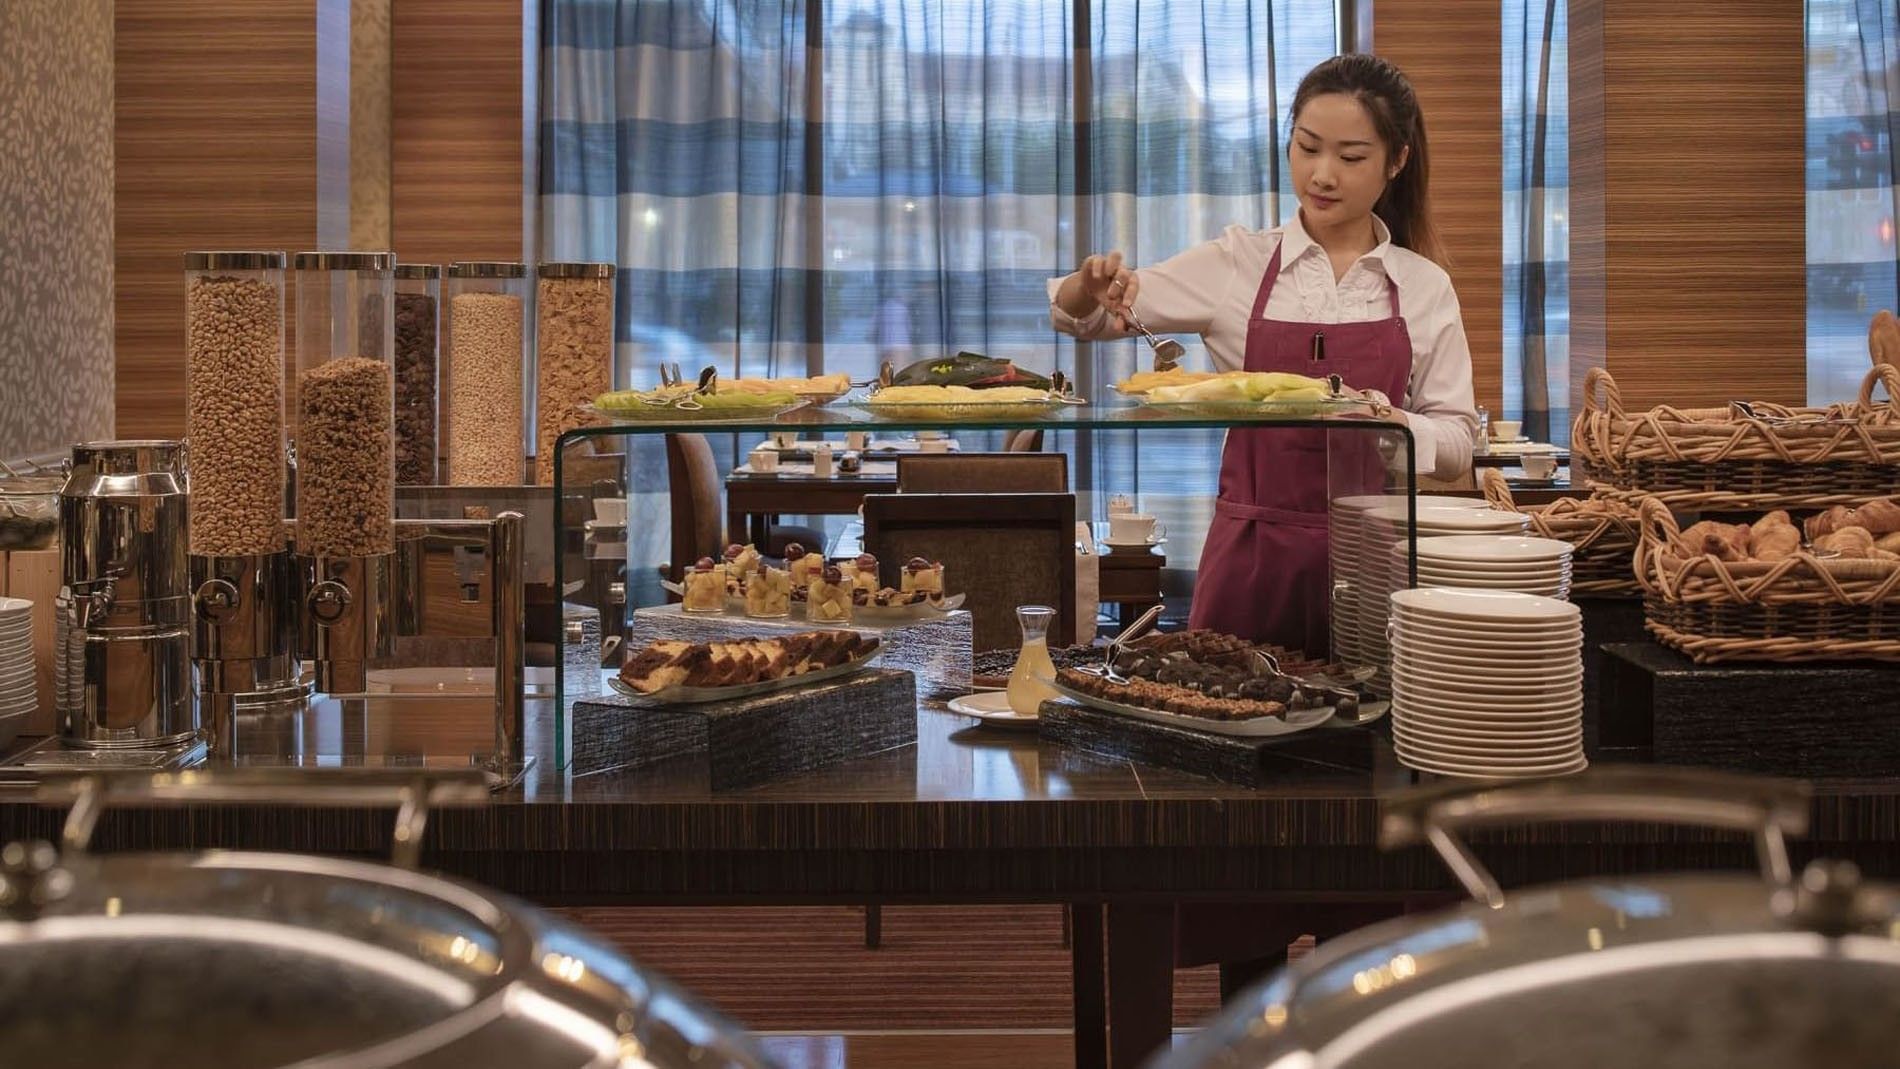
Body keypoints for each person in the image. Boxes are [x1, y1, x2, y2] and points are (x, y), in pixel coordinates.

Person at [1048, 53, 1477, 653]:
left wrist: (1390, 425)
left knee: (1367, 737)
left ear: (1397, 161)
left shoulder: (1424, 286)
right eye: (1307, 148)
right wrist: (1086, 285)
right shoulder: (1237, 263)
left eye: (1351, 157)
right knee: (1225, 712)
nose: (1323, 174)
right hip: (1249, 557)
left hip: (1373, 565)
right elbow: (1088, 317)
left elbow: (1460, 444)